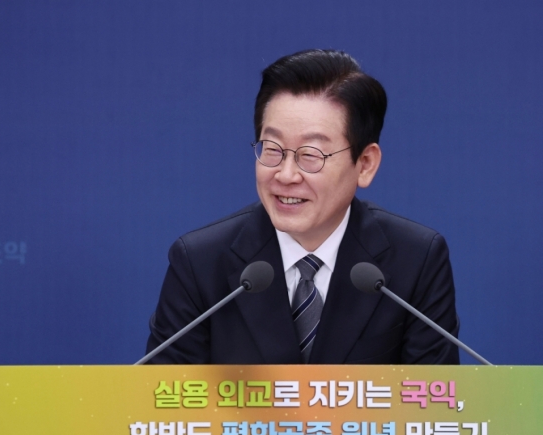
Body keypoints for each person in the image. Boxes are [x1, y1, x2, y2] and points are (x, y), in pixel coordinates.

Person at [146, 49, 460, 364]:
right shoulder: (199, 262)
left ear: (365, 164)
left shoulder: (416, 260)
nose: (285, 175)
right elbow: (164, 390)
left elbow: (433, 392)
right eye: (272, 149)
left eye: (311, 154)